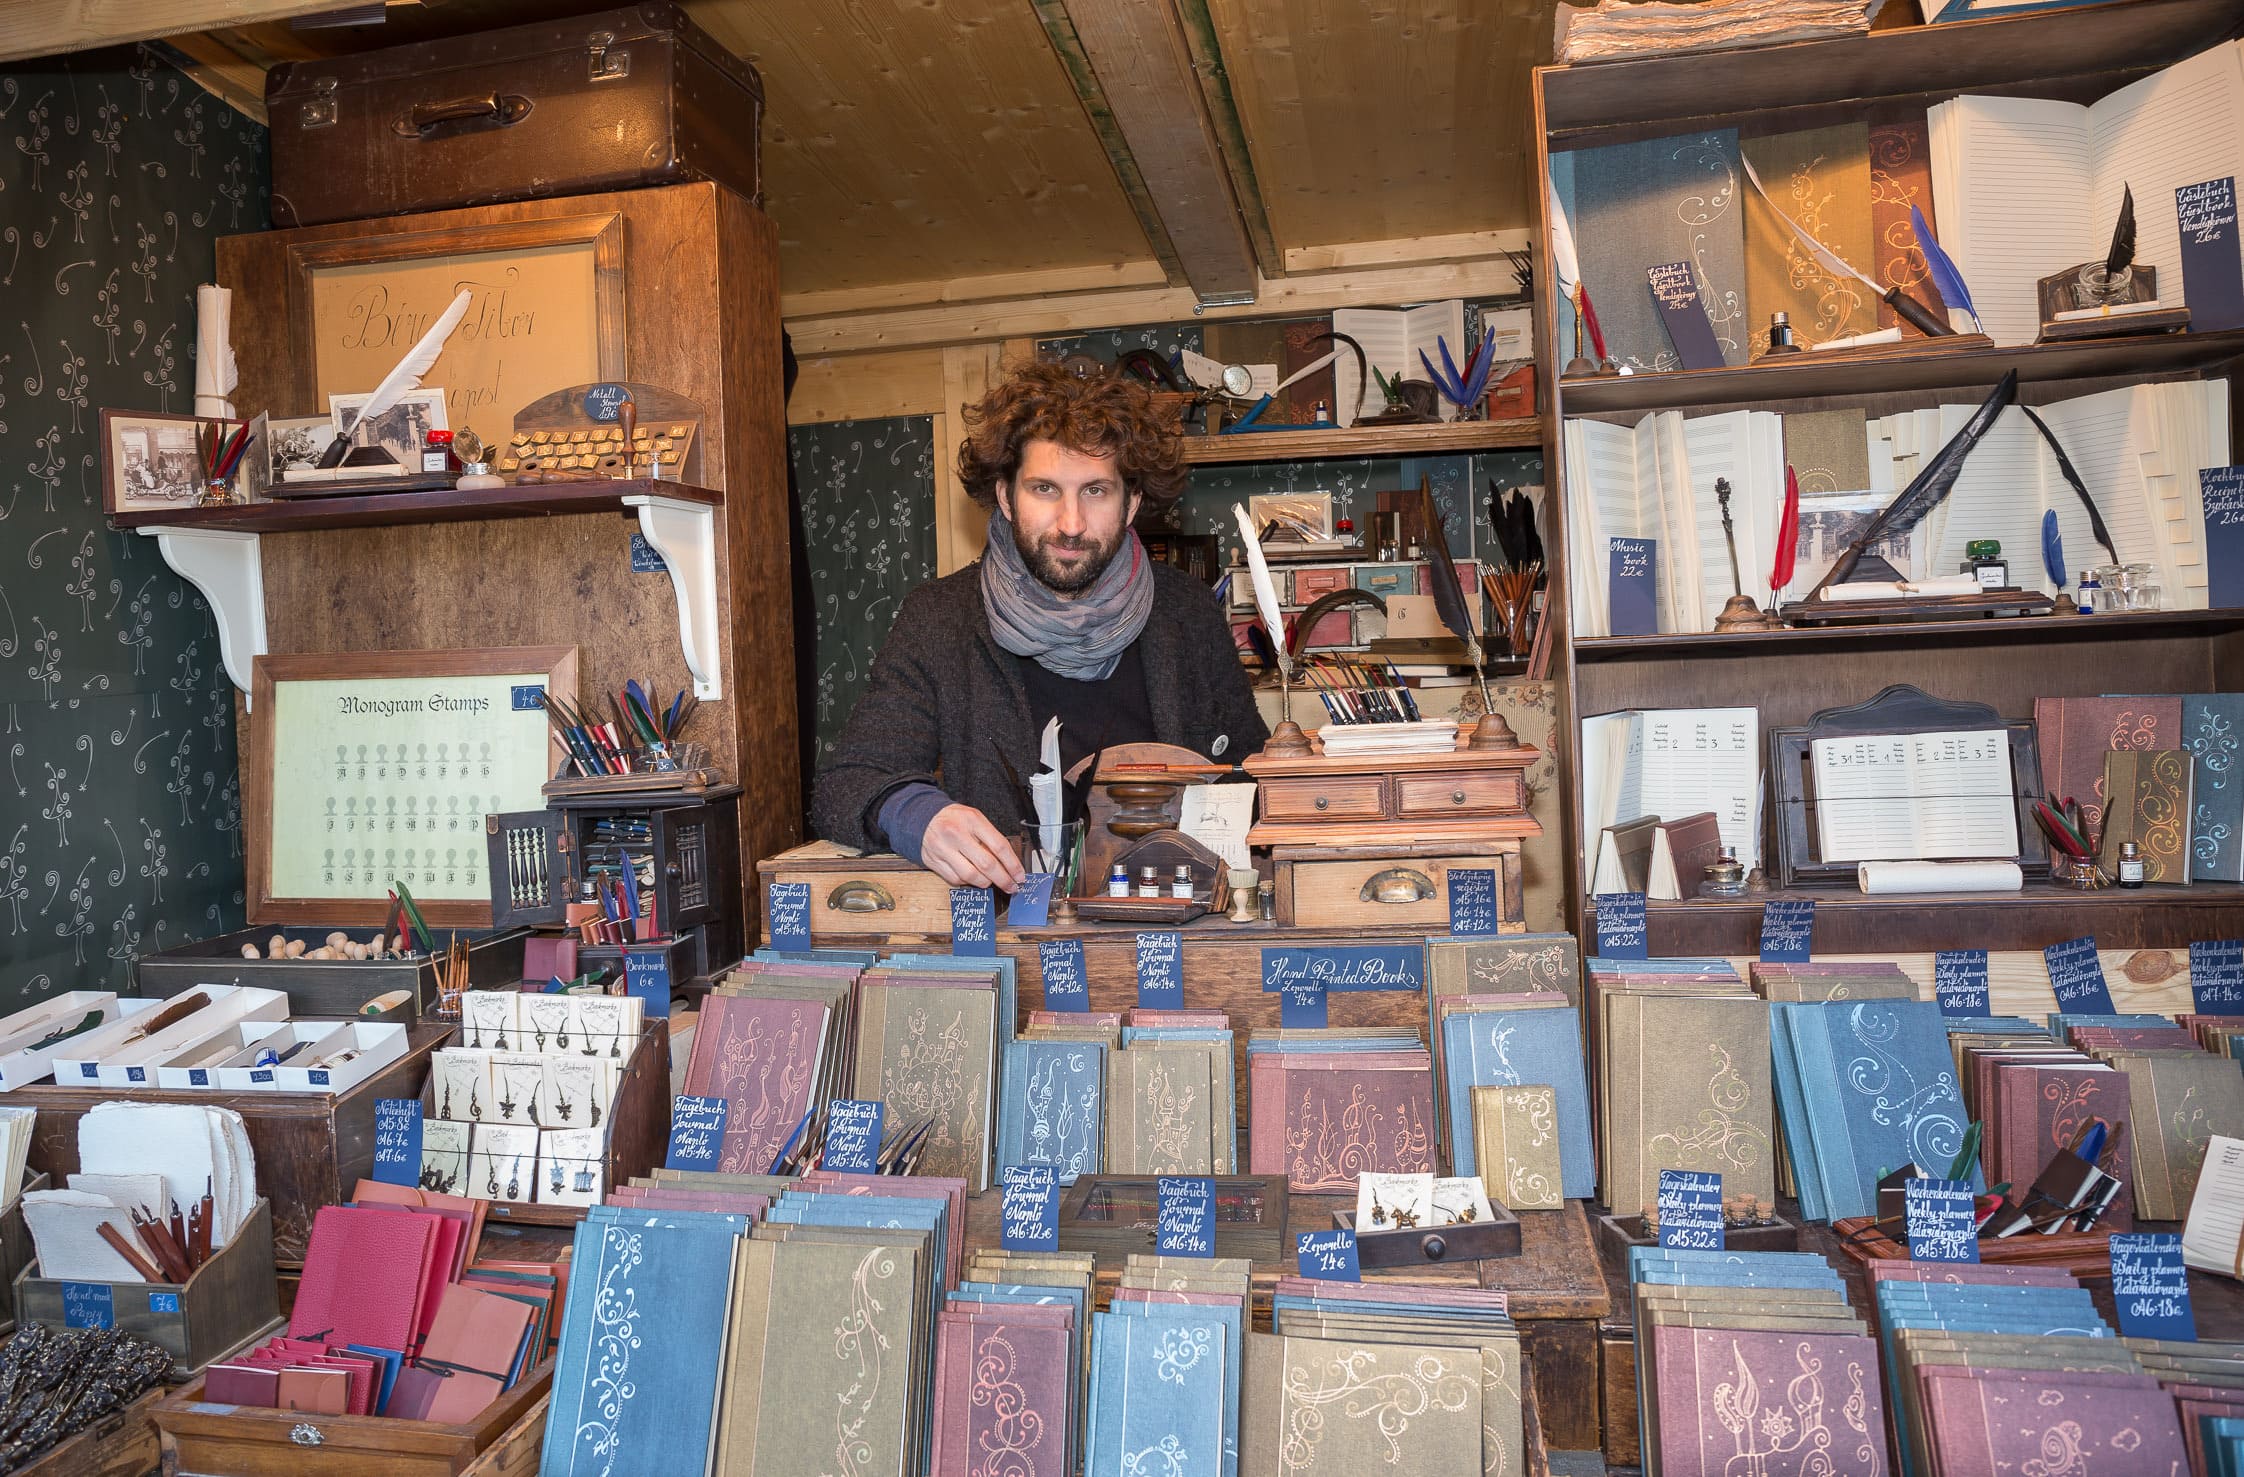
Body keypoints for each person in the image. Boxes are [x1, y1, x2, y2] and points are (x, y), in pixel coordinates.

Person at [812, 361, 1268, 889]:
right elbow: (846, 784)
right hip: (1015, 937)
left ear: (1132, 502)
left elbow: (1252, 776)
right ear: (1006, 496)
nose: (1071, 524)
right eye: (1045, 489)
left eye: (1096, 490)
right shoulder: (939, 618)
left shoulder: (1187, 612)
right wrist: (921, 818)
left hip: (1170, 922)